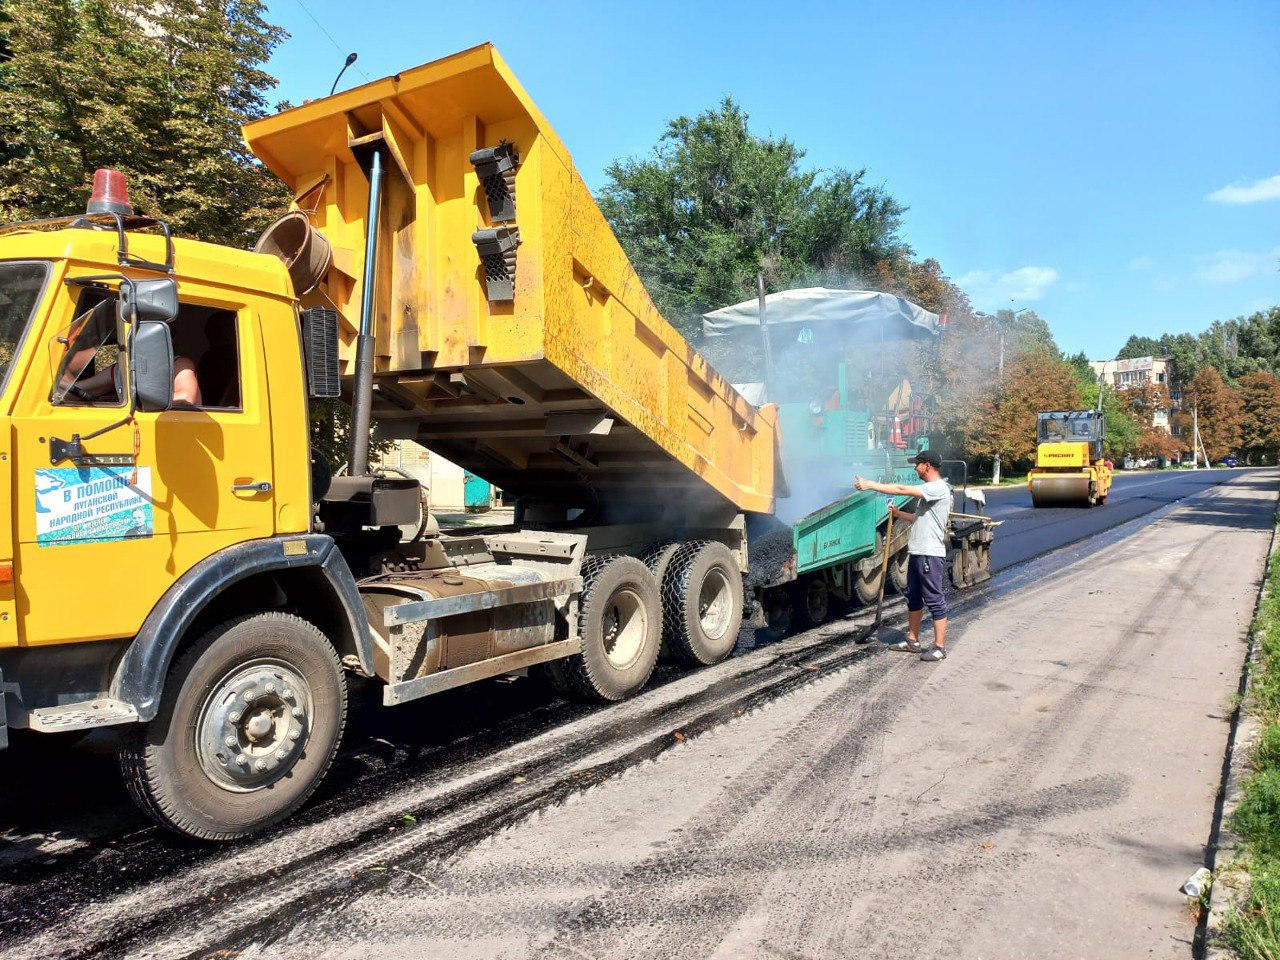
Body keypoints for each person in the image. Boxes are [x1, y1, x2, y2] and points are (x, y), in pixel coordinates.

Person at [854, 449, 952, 662]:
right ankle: (913, 641)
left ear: (927, 465)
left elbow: (900, 489)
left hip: (929, 554)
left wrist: (870, 485)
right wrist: (898, 514)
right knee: (914, 597)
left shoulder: (937, 487)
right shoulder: (930, 490)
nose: (914, 467)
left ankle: (939, 647)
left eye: (917, 464)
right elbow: (919, 517)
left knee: (934, 599)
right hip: (918, 552)